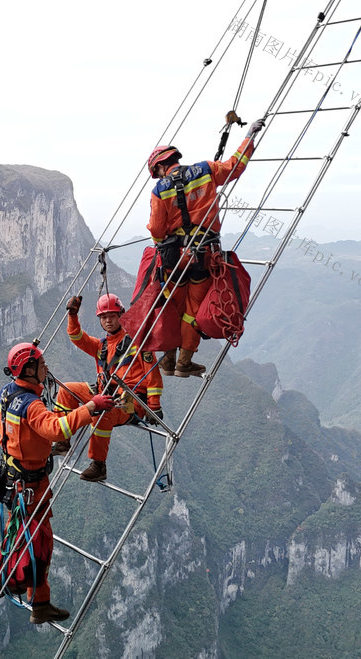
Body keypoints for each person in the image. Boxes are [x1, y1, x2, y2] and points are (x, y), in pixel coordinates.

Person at [0, 342, 114, 624]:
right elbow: (56, 429)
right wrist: (91, 407)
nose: (46, 368)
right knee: (39, 542)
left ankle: (7, 582)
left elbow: (16, 427)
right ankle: (35, 599)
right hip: (31, 485)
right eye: (42, 364)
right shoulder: (32, 405)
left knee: (16, 531)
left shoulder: (8, 394)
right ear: (29, 370)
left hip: (14, 478)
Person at [145, 118, 265, 377]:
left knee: (172, 308)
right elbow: (234, 167)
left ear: (161, 166)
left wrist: (163, 245)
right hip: (202, 256)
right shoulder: (205, 170)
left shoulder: (159, 190)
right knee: (192, 312)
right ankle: (183, 363)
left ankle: (167, 361)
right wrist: (249, 137)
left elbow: (156, 229)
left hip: (172, 261)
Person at [53, 293, 164, 483]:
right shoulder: (101, 346)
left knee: (100, 411)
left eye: (112, 316)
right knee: (66, 389)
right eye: (104, 317)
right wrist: (72, 316)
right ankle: (63, 441)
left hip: (131, 401)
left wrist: (154, 406)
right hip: (105, 393)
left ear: (121, 315)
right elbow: (77, 337)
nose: (108, 321)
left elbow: (152, 376)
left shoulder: (138, 343)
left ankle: (98, 465)